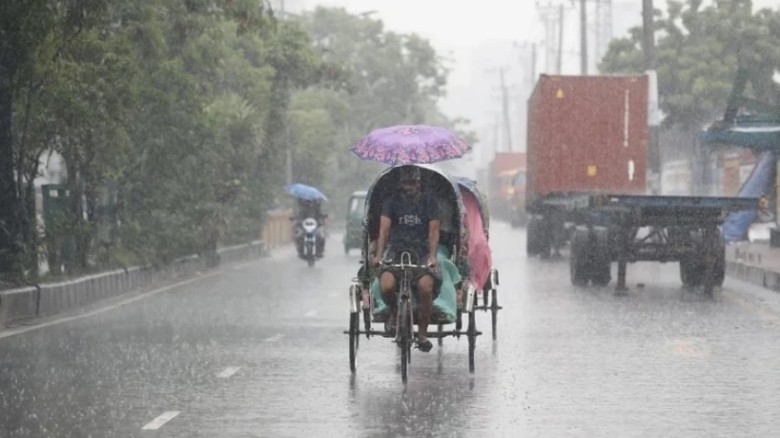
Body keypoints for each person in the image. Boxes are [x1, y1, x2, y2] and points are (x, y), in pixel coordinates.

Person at [372, 166, 441, 352]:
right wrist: (379, 255)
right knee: (386, 286)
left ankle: (422, 334)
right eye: (405, 183)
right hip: (396, 252)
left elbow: (433, 231)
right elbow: (384, 230)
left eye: (412, 183)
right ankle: (395, 312)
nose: (409, 187)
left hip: (421, 253)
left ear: (419, 183)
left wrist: (433, 257)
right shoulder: (391, 202)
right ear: (400, 184)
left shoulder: (429, 202)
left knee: (425, 287)